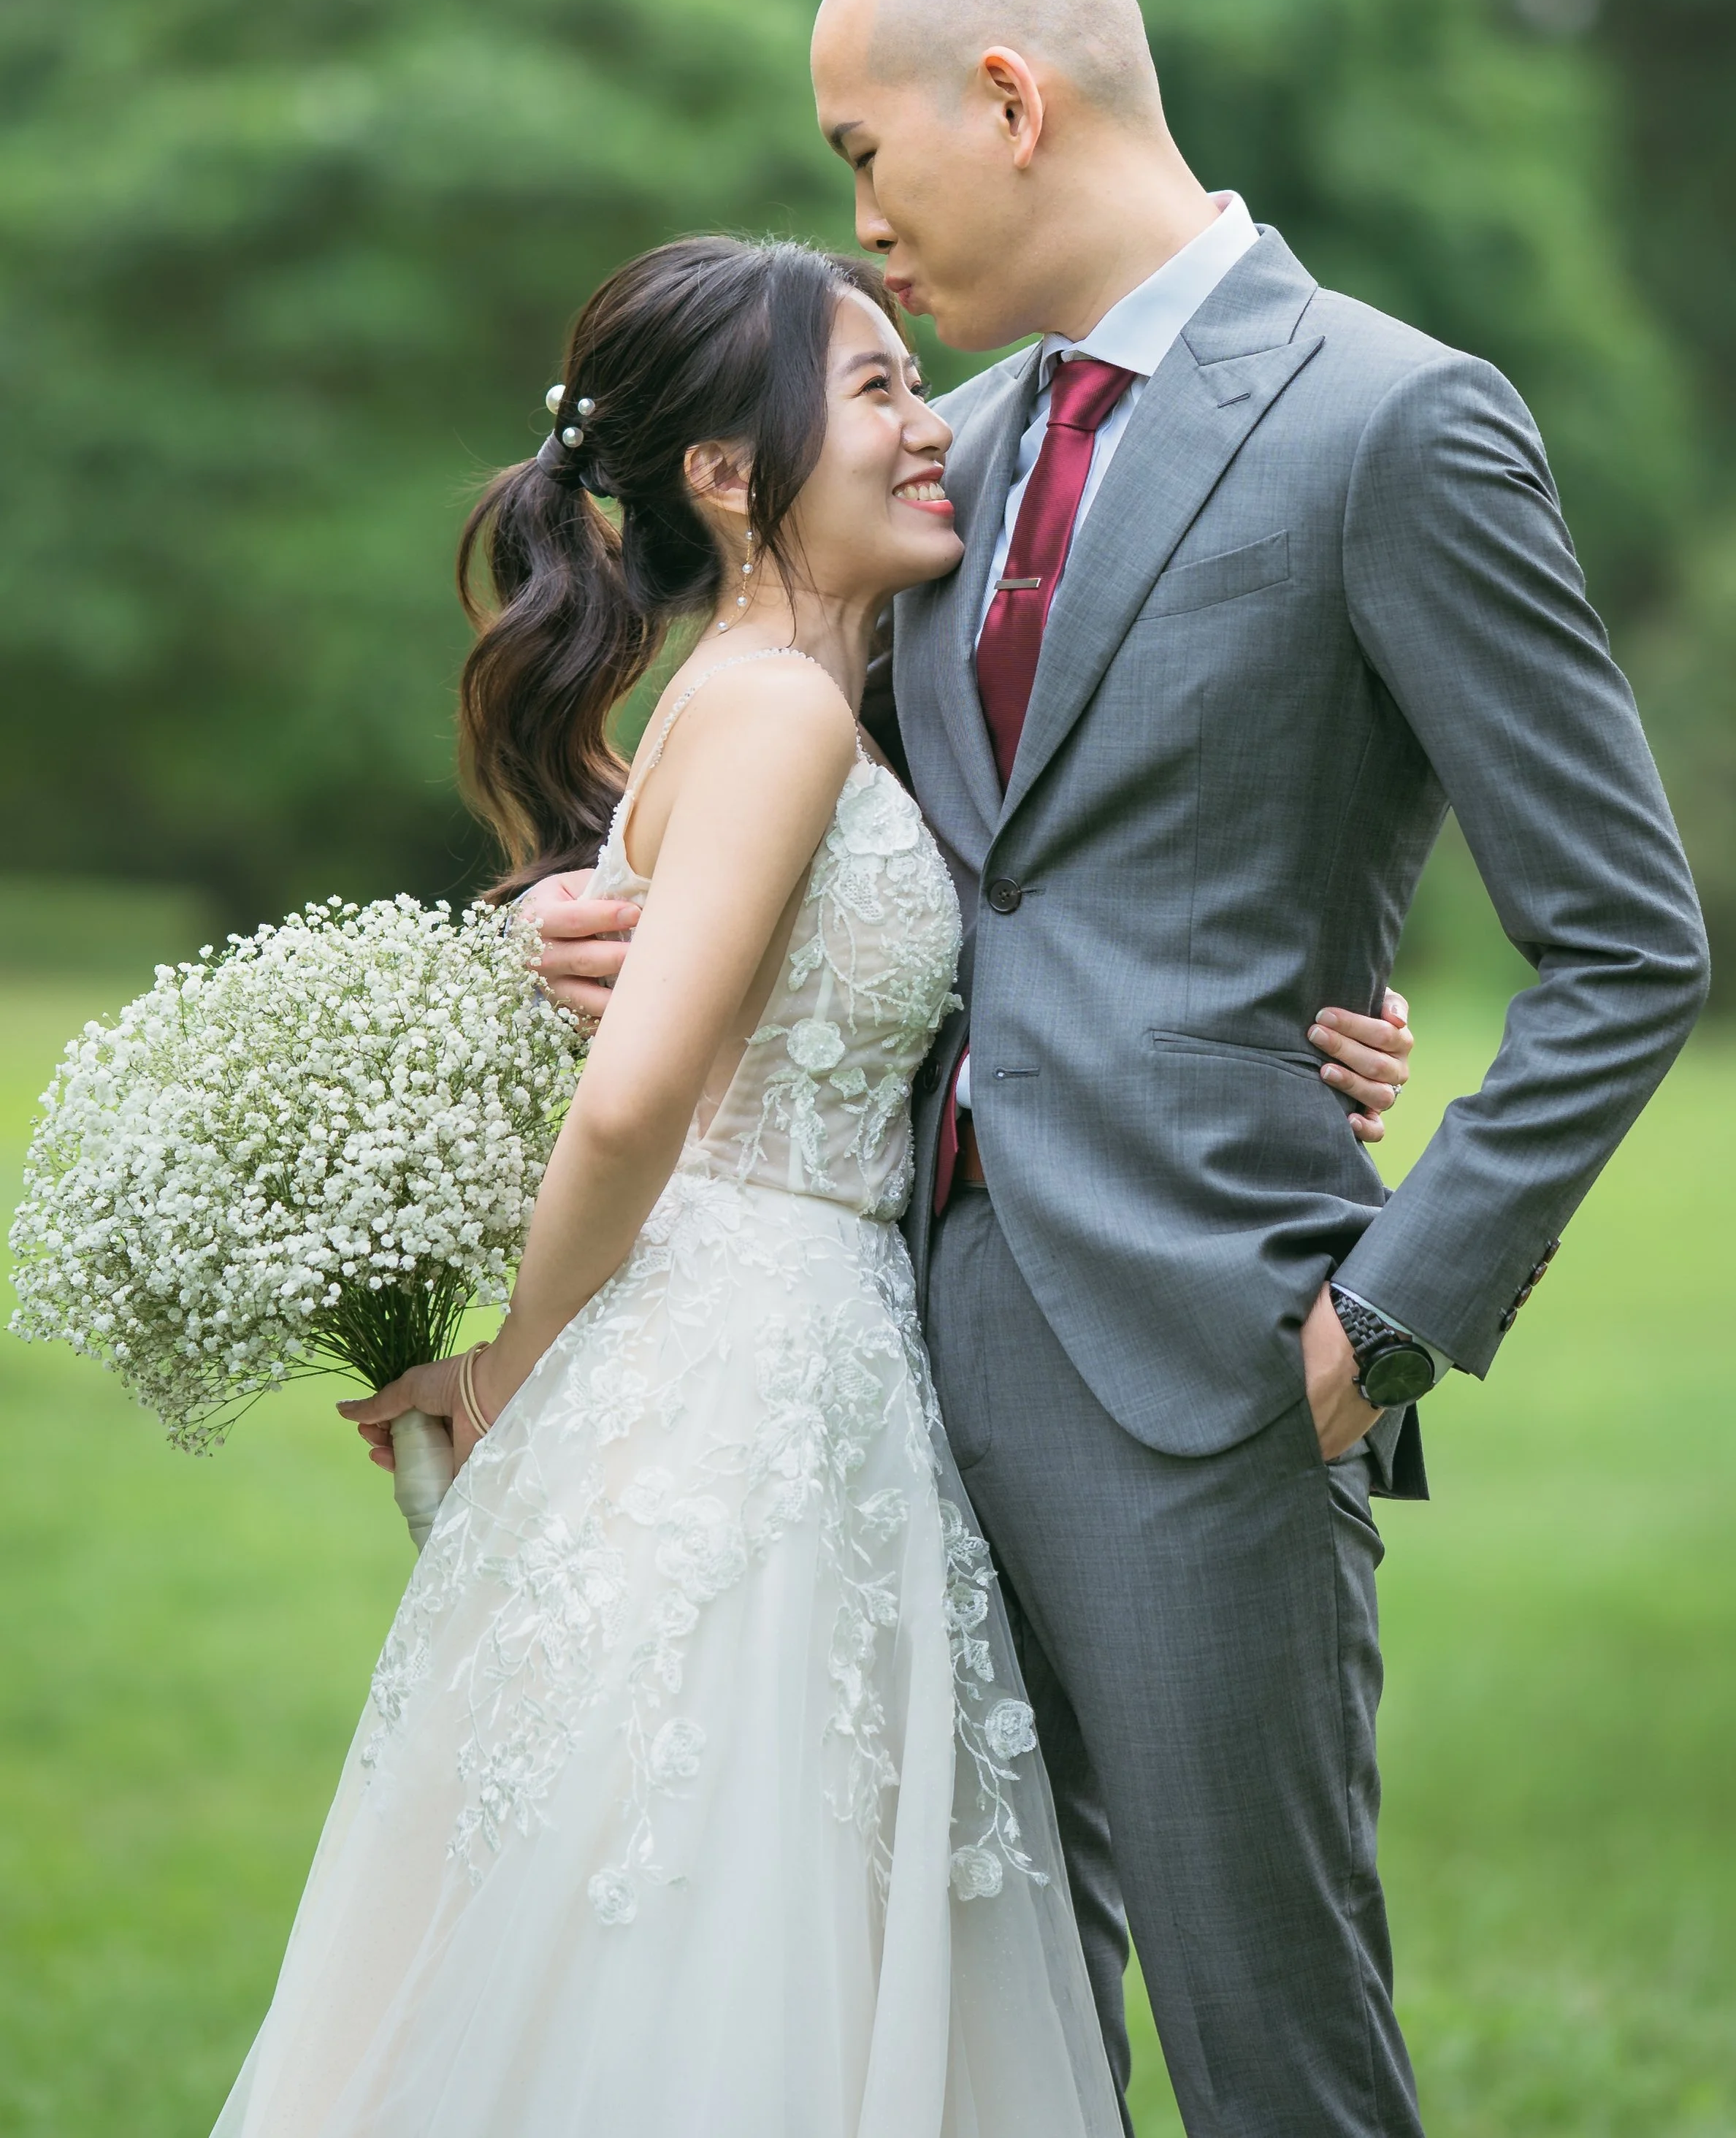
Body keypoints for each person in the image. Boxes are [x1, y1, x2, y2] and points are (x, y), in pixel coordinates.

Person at [527, 0, 1710, 2138]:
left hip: (1219, 1373)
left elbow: (1629, 938)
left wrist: (1388, 1317)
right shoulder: (925, 458)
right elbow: (794, 803)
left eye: (868, 155)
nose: (860, 233)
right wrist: (581, 926)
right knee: (978, 2051)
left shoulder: (1394, 420)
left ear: (1011, 100)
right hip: (875, 1377)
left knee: (1274, 2059)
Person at [213, 233, 1406, 2138]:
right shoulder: (772, 710)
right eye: (873, 387)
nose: (930, 423)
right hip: (746, 1375)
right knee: (725, 1919)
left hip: (800, 1367)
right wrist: (514, 1367)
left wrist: (1305, 1018)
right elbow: (634, 1103)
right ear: (722, 471)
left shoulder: (810, 699)